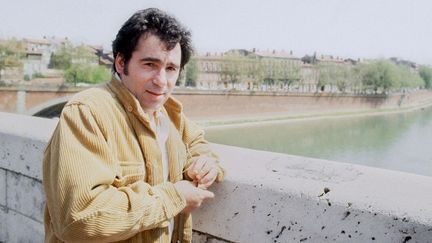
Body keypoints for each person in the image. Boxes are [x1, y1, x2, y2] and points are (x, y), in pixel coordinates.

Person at [43, 8, 224, 243]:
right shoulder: (88, 112)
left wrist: (204, 163)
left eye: (171, 69)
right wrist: (174, 197)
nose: (161, 81)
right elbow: (79, 220)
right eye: (150, 64)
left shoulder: (169, 114)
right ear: (121, 62)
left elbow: (197, 143)